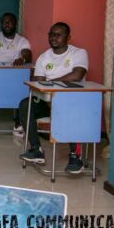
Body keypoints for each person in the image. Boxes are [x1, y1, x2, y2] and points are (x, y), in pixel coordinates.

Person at [19, 22, 89, 173]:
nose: (53, 37)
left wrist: (50, 83)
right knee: (26, 104)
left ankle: (76, 157)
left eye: (58, 34)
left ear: (68, 37)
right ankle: (36, 149)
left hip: (72, 102)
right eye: (51, 34)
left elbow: (77, 75)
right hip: (47, 102)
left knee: (67, 108)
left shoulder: (78, 53)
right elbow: (37, 82)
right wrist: (48, 89)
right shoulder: (44, 57)